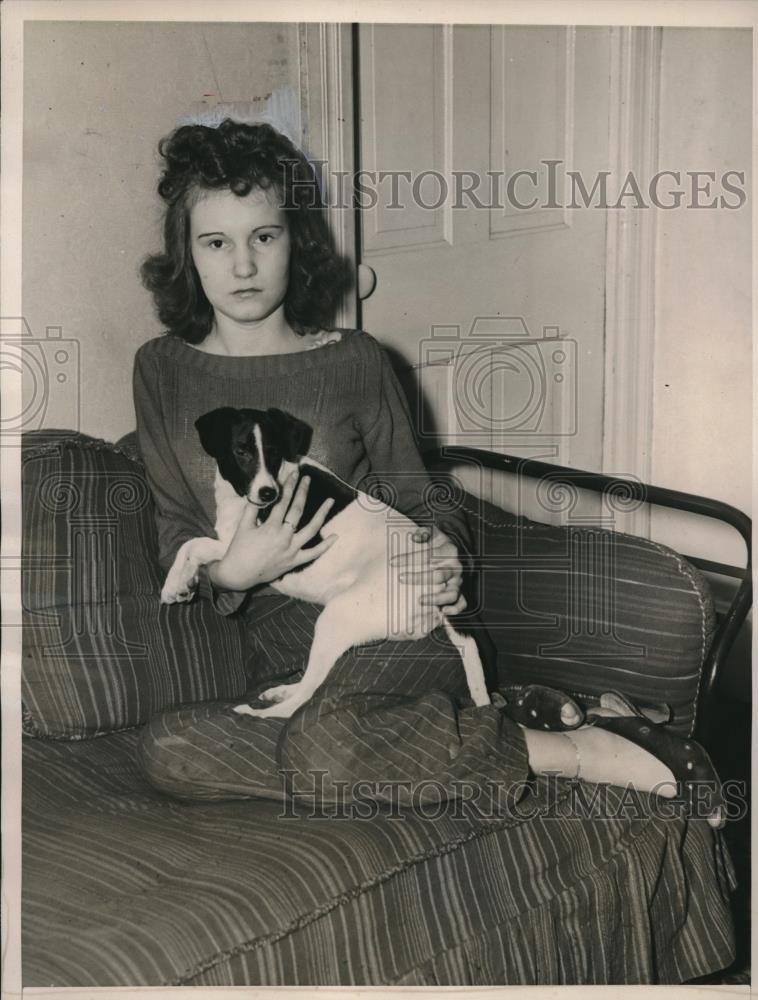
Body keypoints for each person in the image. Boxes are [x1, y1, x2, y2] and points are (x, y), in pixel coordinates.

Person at [133, 118, 723, 827]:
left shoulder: (351, 359)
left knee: (324, 752)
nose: (244, 266)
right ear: (187, 255)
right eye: (216, 242)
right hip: (291, 654)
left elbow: (421, 495)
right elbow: (175, 526)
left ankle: (579, 749)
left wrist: (443, 548)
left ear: (296, 239)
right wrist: (232, 571)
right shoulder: (161, 370)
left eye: (264, 236)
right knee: (170, 748)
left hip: (398, 623)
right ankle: (470, 725)